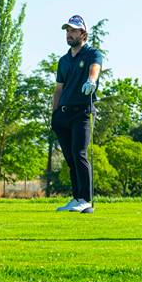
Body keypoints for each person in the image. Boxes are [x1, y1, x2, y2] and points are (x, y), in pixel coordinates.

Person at [51, 15, 103, 212]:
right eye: (67, 31)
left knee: (80, 153)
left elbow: (94, 68)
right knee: (70, 158)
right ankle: (77, 197)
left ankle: (87, 200)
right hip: (63, 114)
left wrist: (91, 81)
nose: (69, 34)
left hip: (83, 111)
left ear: (83, 34)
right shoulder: (63, 60)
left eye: (73, 31)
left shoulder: (92, 53)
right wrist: (54, 115)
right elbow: (58, 89)